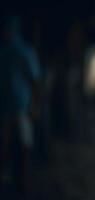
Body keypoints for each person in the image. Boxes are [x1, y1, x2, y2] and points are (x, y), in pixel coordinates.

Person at [0, 15, 41, 196]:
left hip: (17, 107)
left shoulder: (16, 51)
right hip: (14, 106)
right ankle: (23, 184)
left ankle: (23, 184)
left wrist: (33, 105)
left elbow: (34, 82)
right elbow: (35, 81)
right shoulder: (20, 51)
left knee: (19, 146)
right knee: (20, 146)